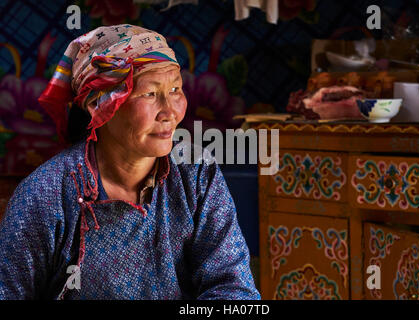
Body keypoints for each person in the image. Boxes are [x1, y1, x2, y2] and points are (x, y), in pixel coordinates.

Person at [0, 24, 260, 300]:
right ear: (98, 105)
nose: (170, 112)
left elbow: (234, 289)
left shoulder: (195, 174)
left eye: (175, 89)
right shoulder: (46, 194)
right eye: (149, 94)